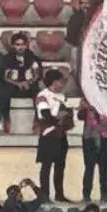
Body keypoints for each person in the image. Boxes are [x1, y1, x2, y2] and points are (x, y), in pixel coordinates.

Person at [34, 70, 76, 202]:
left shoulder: (62, 96)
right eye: (61, 81)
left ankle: (59, 194)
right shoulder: (43, 95)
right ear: (54, 82)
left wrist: (65, 120)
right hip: (48, 134)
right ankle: (45, 195)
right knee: (46, 166)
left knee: (60, 166)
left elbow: (68, 115)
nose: (63, 84)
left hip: (61, 135)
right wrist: (58, 119)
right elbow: (45, 114)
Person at [0, 32, 42, 129]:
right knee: (3, 90)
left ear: (26, 45)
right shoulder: (7, 59)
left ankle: (37, 121)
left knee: (38, 92)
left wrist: (28, 82)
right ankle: (6, 120)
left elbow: (38, 75)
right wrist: (17, 83)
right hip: (13, 86)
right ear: (13, 45)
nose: (20, 47)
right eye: (18, 44)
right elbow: (4, 76)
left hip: (29, 86)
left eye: (23, 44)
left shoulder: (33, 58)